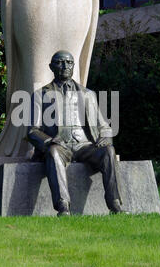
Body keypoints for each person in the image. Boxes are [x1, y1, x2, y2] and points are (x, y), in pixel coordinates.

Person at [28, 50, 122, 216]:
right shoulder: (40, 95)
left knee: (109, 151)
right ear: (51, 67)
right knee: (53, 152)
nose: (65, 66)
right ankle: (63, 206)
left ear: (73, 66)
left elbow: (104, 126)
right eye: (60, 62)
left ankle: (115, 204)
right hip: (60, 146)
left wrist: (106, 137)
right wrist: (49, 141)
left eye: (69, 62)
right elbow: (32, 130)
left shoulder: (88, 94)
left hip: (85, 145)